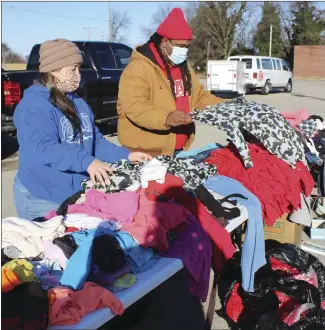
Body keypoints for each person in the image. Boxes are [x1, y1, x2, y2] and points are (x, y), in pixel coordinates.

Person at [13, 39, 151, 220]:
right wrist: (86, 161)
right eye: (73, 69)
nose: (78, 74)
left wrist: (126, 155)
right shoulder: (33, 106)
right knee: (44, 246)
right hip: (42, 197)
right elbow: (44, 148)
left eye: (79, 68)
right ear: (54, 70)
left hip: (75, 192)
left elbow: (95, 140)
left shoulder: (78, 102)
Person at [117, 8, 224, 157]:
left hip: (177, 151)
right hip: (145, 153)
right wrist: (166, 118)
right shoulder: (138, 68)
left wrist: (227, 107)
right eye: (180, 46)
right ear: (164, 42)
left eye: (187, 47)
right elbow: (135, 106)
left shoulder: (183, 67)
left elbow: (199, 96)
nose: (184, 51)